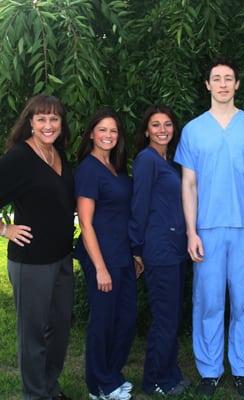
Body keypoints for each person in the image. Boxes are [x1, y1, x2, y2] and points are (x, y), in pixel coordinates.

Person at [174, 57, 244, 399]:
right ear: (207, 85)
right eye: (216, 78)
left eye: (229, 78)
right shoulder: (193, 129)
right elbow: (189, 185)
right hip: (207, 229)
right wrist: (191, 232)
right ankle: (210, 371)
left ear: (237, 84)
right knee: (209, 301)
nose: (223, 84)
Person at [0, 94, 75, 400]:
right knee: (33, 336)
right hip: (31, 263)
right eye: (41, 118)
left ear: (61, 124)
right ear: (29, 122)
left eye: (54, 119)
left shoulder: (58, 153)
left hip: (61, 258)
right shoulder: (19, 157)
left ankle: (49, 387)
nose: (48, 125)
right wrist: (5, 229)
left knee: (59, 331)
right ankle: (35, 395)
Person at [75, 108, 137, 400]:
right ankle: (98, 386)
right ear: (91, 134)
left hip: (122, 256)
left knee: (125, 319)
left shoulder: (116, 167)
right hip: (101, 257)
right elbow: (86, 223)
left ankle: (112, 375)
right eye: (102, 130)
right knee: (103, 321)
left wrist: (134, 255)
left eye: (113, 130)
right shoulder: (88, 169)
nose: (108, 135)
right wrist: (100, 267)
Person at [128, 105, 189, 396]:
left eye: (167, 124)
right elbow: (139, 205)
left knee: (172, 316)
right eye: (156, 125)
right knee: (165, 317)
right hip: (158, 249)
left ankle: (170, 371)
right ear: (146, 131)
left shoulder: (171, 161)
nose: (162, 130)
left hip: (175, 249)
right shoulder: (146, 160)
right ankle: (153, 380)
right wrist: (137, 248)